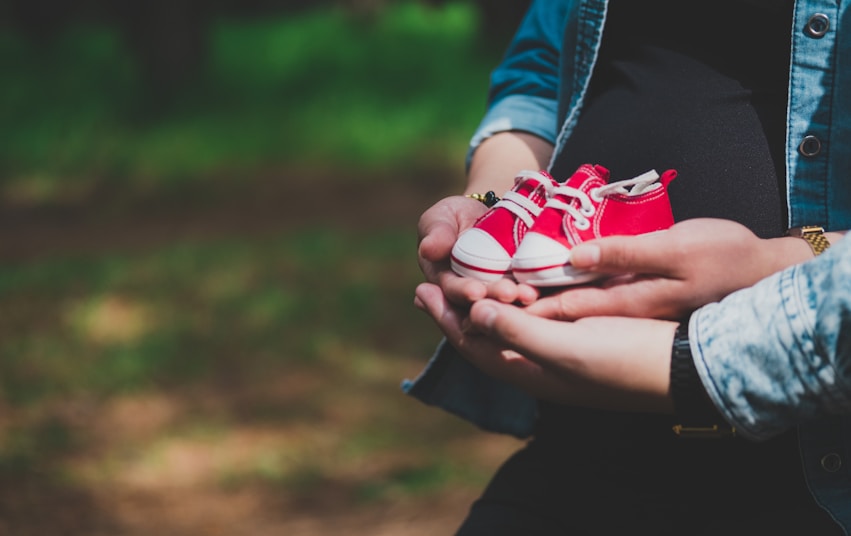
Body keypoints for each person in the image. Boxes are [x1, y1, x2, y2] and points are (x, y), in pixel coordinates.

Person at [405, 0, 851, 534]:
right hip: (578, 449)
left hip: (809, 472)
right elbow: (540, 74)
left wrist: (779, 259)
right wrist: (499, 200)